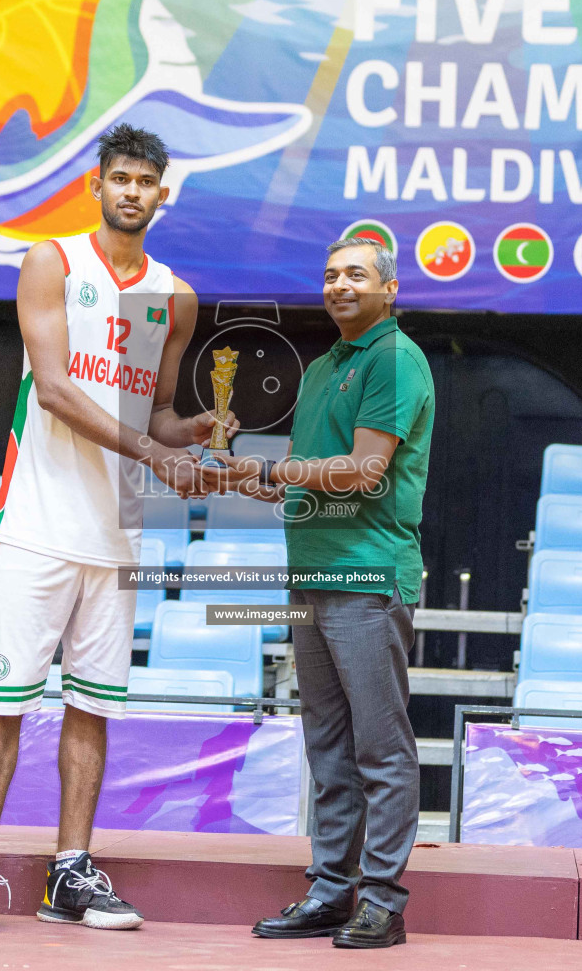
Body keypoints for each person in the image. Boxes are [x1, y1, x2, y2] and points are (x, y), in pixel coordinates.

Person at [0, 124, 230, 935]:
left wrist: (203, 429)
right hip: (34, 523)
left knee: (91, 709)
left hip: (116, 536)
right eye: (122, 179)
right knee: (3, 702)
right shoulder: (53, 263)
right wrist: (150, 447)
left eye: (147, 181)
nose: (134, 192)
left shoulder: (175, 298)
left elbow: (158, 415)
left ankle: (70, 872)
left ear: (162, 195)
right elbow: (58, 391)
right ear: (97, 188)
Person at [232, 237, 435, 949]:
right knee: (327, 745)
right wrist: (249, 473)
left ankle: (382, 900)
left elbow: (363, 472)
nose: (339, 284)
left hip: (367, 574)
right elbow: (304, 468)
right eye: (329, 275)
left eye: (355, 274)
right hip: (311, 572)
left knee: (380, 747)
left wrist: (280, 473)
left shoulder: (394, 359)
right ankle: (328, 891)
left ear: (389, 288)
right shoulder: (322, 367)